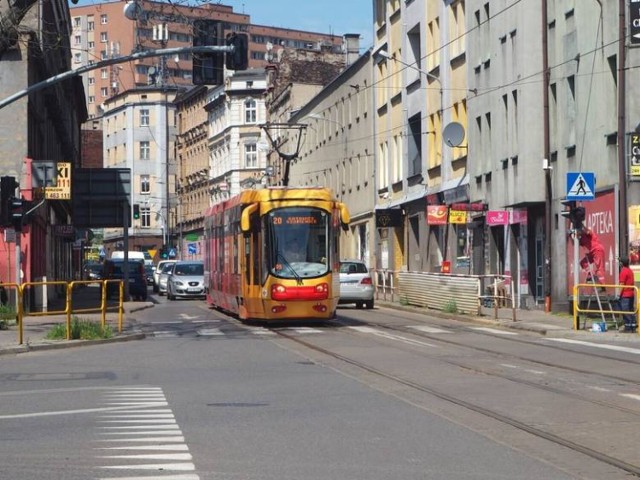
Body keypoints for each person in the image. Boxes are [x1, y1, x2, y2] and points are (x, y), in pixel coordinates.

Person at [618, 257, 637, 333]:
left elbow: (622, 284)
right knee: (630, 310)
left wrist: (619, 294)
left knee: (625, 311)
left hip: (625, 295)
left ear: (622, 263)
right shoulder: (630, 271)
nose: (619, 263)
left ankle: (628, 328)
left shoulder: (623, 271)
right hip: (631, 294)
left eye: (620, 262)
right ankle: (633, 326)